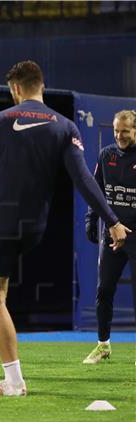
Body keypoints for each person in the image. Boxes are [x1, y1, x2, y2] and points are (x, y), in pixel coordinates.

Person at [0, 60, 129, 396]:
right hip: (34, 227)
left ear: (17, 89)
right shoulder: (65, 126)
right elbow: (83, 180)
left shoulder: (1, 120)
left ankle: (13, 382)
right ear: (41, 86)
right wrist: (113, 221)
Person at [82, 109, 136, 364]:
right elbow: (97, 192)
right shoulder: (107, 155)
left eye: (125, 131)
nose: (119, 135)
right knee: (103, 290)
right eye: (116, 130)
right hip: (111, 235)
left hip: (135, 235)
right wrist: (91, 219)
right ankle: (103, 345)